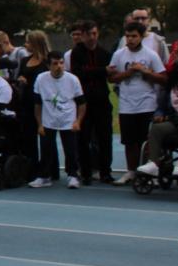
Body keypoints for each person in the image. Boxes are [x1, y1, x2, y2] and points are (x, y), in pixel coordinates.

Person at [108, 21, 167, 184]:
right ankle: (131, 171)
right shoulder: (119, 54)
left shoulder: (151, 55)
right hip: (127, 104)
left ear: (141, 37)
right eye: (127, 36)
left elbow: (163, 78)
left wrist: (145, 71)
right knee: (129, 141)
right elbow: (111, 77)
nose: (130, 39)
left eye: (134, 36)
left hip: (147, 103)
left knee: (146, 140)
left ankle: (149, 172)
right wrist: (129, 72)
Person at [31, 51, 86, 189]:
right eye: (55, 63)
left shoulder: (73, 79)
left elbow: (81, 103)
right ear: (48, 65)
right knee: (45, 148)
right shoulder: (41, 79)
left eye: (61, 63)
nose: (59, 66)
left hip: (68, 120)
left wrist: (78, 121)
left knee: (71, 150)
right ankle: (44, 176)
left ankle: (73, 175)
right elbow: (37, 104)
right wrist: (40, 124)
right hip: (48, 120)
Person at [69, 20, 114, 183]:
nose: (92, 37)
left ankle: (105, 171)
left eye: (94, 34)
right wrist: (102, 71)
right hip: (84, 102)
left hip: (102, 100)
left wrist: (101, 72)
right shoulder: (77, 53)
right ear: (83, 35)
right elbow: (78, 73)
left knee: (105, 138)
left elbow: (111, 73)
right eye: (88, 34)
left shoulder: (104, 53)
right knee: (83, 138)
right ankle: (86, 171)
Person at [15, 30, 51, 170]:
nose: (25, 44)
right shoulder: (25, 60)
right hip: (26, 102)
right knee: (28, 136)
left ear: (36, 44)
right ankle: (32, 166)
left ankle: (48, 167)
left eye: (28, 42)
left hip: (43, 103)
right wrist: (21, 80)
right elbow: (20, 76)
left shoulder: (47, 62)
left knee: (45, 136)